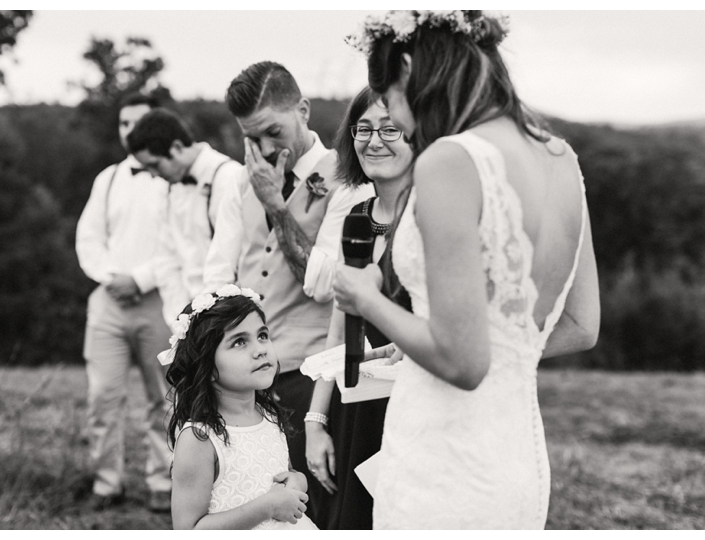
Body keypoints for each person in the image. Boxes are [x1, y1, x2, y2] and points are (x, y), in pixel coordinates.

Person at [335, 11, 600, 529]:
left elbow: (464, 362)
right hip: (516, 456)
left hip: (443, 457)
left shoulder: (449, 161)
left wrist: (367, 298)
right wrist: (416, 341)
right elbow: (580, 327)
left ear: (409, 69)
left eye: (387, 98)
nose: (397, 121)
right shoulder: (559, 157)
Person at [203, 61, 374, 526]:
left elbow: (323, 283)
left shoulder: (348, 179)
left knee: (310, 504)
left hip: (309, 370)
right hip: (241, 375)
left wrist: (276, 206)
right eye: (250, 136)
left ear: (302, 110)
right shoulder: (241, 180)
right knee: (251, 498)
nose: (262, 147)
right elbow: (219, 269)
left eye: (272, 131)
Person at [304, 86, 413, 530]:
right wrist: (317, 420)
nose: (373, 140)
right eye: (363, 128)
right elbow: (338, 328)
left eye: (390, 128)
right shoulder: (355, 220)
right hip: (357, 407)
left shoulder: (431, 220)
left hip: (412, 409)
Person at [75, 94, 172, 512]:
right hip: (109, 301)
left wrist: (141, 278)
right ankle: (106, 481)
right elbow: (88, 236)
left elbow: (179, 244)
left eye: (138, 122)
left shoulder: (173, 177)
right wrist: (109, 277)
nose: (129, 130)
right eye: (123, 123)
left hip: (159, 300)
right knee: (103, 396)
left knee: (165, 397)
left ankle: (164, 481)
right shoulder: (109, 178)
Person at [161, 285, 317, 530]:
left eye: (262, 335)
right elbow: (189, 529)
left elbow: (278, 474)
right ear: (207, 366)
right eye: (239, 342)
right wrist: (266, 507)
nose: (260, 349)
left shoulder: (268, 414)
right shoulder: (199, 438)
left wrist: (297, 480)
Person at [127, 108, 242, 326]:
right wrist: (179, 322)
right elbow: (167, 260)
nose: (153, 175)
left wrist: (214, 320)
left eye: (154, 164)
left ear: (177, 147)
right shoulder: (168, 189)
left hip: (228, 316)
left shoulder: (228, 177)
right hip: (189, 319)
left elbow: (237, 259)